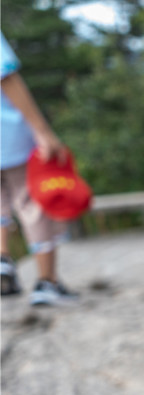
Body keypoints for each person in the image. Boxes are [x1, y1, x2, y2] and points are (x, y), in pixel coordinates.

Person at [0, 32, 79, 306]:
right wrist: (43, 131)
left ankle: (3, 259)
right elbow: (6, 76)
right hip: (8, 134)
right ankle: (47, 282)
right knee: (30, 202)